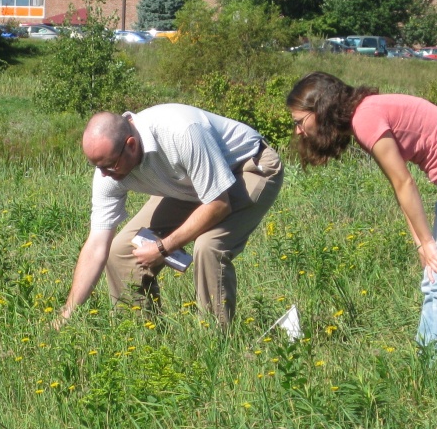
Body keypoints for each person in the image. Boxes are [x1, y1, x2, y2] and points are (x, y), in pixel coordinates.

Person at [286, 72, 437, 347]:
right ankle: (428, 363)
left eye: (299, 121)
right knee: (434, 278)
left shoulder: (365, 119)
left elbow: (405, 182)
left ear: (320, 109)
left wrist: (427, 241)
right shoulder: (365, 114)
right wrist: (420, 245)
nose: (298, 130)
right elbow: (399, 186)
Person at [57, 105, 284, 327]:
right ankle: (140, 340)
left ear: (131, 145)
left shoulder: (181, 132)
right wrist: (67, 313)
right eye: (97, 166)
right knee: (120, 252)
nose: (104, 174)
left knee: (209, 247)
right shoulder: (107, 171)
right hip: (188, 183)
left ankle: (216, 343)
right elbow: (97, 245)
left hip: (247, 167)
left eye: (110, 165)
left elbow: (217, 204)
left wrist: (163, 248)